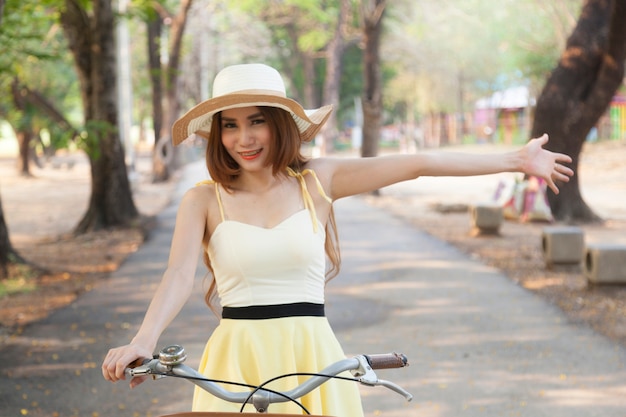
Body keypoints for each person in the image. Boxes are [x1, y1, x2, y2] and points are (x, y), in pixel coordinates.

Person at [102, 63, 574, 416]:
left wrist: (514, 160)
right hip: (236, 356)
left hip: (313, 354)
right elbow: (179, 273)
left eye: (256, 121)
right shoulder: (203, 199)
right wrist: (144, 340)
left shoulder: (316, 181)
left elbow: (418, 163)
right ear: (217, 132)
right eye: (230, 124)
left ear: (280, 124)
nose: (243, 137)